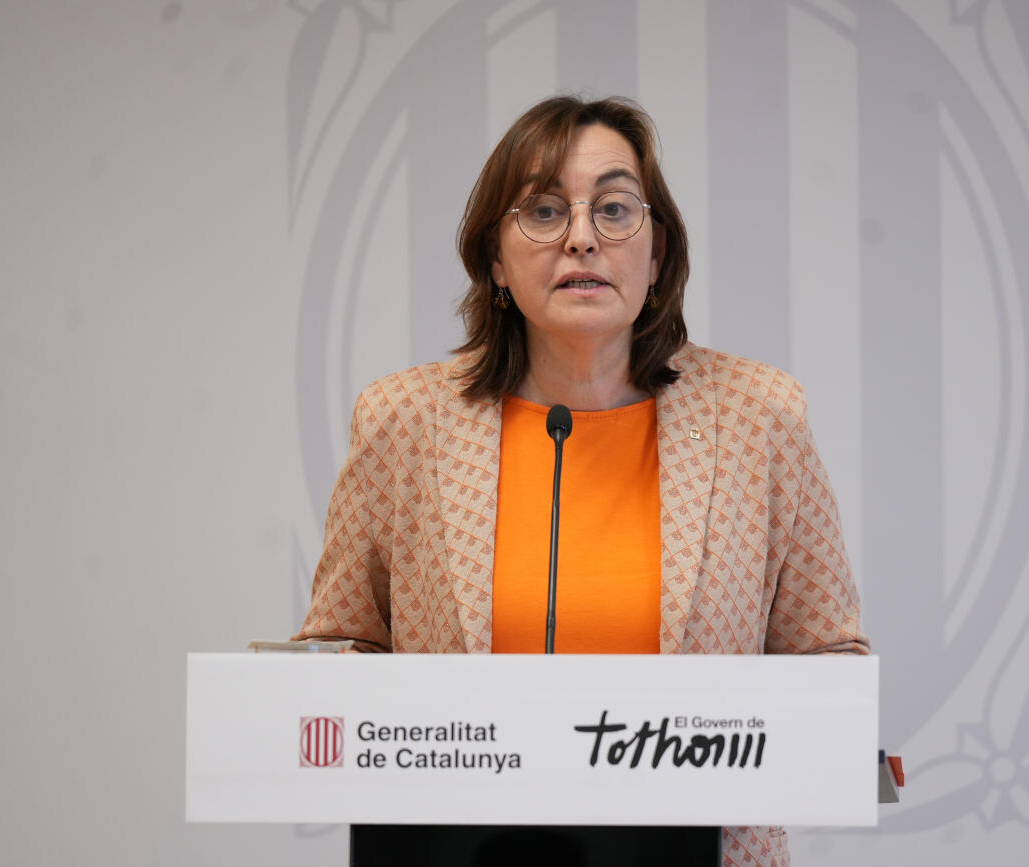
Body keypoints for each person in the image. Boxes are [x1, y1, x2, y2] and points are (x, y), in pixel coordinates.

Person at [295, 95, 868, 867]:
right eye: (543, 210)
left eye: (614, 209)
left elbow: (828, 661)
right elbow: (340, 650)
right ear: (495, 259)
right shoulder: (403, 421)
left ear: (656, 255)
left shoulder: (759, 417)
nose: (581, 237)